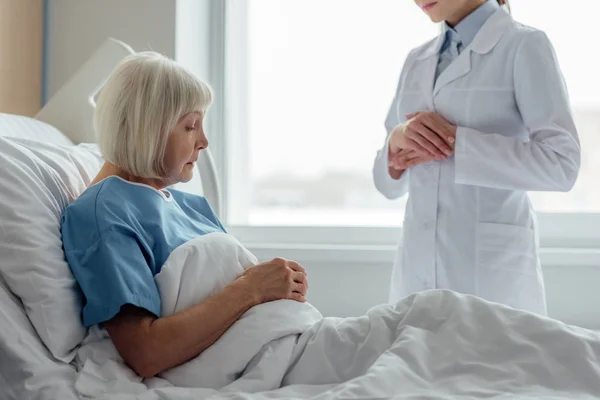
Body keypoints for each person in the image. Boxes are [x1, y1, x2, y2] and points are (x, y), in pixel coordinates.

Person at [61, 52, 309, 378]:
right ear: (147, 129)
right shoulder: (103, 213)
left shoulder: (190, 205)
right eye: (191, 126)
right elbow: (146, 352)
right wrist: (253, 288)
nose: (203, 142)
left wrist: (280, 287)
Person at [372, 0, 580, 315]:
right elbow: (387, 186)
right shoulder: (417, 59)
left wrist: (458, 143)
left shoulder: (524, 44)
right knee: (414, 358)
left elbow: (562, 165)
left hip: (491, 275)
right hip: (416, 270)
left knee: (493, 358)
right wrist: (395, 145)